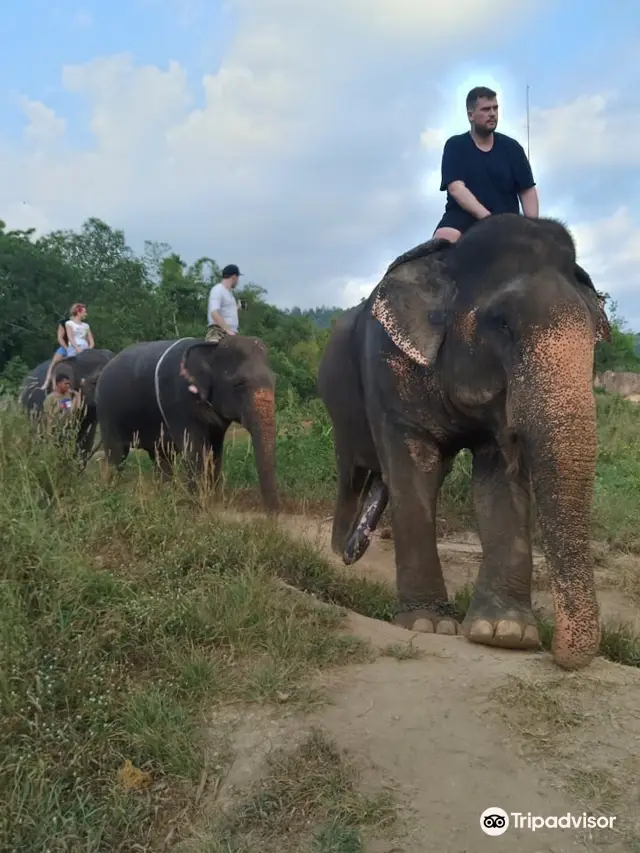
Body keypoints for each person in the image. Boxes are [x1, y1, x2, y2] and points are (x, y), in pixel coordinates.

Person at [433, 86, 539, 243]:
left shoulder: (512, 148)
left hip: (507, 221)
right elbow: (457, 189)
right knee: (443, 240)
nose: (492, 114)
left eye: (495, 108)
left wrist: (532, 227)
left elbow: (527, 190)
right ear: (471, 115)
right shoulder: (456, 146)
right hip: (462, 219)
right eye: (485, 109)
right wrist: (488, 219)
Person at [205, 264, 243, 343]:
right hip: (217, 331)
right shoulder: (218, 290)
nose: (238, 281)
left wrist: (237, 308)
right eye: (238, 278)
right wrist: (227, 330)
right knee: (214, 350)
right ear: (234, 277)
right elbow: (214, 313)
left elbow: (226, 311)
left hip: (231, 332)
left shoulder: (229, 293)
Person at [42, 371, 83, 443]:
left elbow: (72, 409)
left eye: (69, 384)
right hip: (54, 430)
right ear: (58, 384)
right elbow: (47, 415)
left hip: (66, 429)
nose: (68, 386)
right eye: (66, 384)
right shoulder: (50, 398)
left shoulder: (67, 395)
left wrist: (77, 396)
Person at [41, 314, 71, 391]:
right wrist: (66, 348)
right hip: (65, 347)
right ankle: (47, 381)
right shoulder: (63, 323)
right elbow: (60, 338)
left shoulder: (81, 324)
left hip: (77, 347)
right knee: (54, 363)